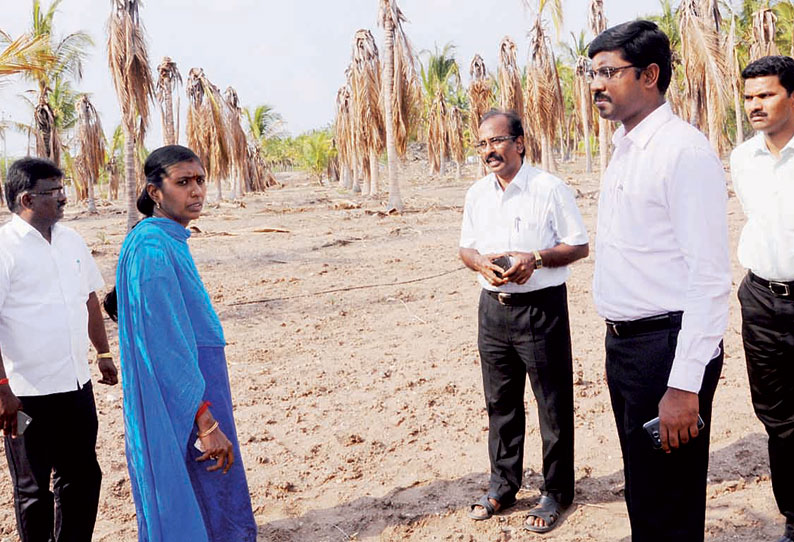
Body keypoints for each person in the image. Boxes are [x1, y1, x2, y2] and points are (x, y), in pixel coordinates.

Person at [588, 20, 731, 541]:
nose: (596, 84)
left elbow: (711, 278)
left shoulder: (682, 152)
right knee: (645, 492)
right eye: (592, 72)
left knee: (670, 499)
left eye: (608, 72)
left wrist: (683, 384)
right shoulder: (629, 149)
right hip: (627, 347)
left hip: (666, 350)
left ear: (650, 74)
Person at [105, 145, 256, 541]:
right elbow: (165, 346)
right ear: (155, 192)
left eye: (200, 181)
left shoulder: (169, 240)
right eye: (183, 182)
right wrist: (205, 420)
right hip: (187, 401)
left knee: (211, 491)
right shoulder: (152, 248)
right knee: (195, 486)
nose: (196, 191)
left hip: (200, 387)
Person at [459, 109, 589, 533]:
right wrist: (480, 262)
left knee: (552, 403)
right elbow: (466, 248)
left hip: (541, 308)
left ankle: (557, 492)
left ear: (519, 143)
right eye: (482, 144)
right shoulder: (478, 194)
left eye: (496, 141)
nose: (488, 151)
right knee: (500, 402)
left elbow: (579, 245)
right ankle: (504, 484)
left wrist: (534, 259)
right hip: (492, 310)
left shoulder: (549, 189)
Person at [0, 157, 118, 542]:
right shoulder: (4, 249)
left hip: (76, 386)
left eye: (62, 189)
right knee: (33, 489)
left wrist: (102, 354)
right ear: (26, 199)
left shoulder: (72, 240)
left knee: (83, 476)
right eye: (53, 192)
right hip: (24, 397)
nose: (64, 198)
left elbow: (89, 300)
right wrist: (3, 390)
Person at [731, 55, 794, 542]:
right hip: (761, 300)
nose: (755, 105)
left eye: (766, 94)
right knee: (777, 417)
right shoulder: (741, 158)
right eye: (749, 96)